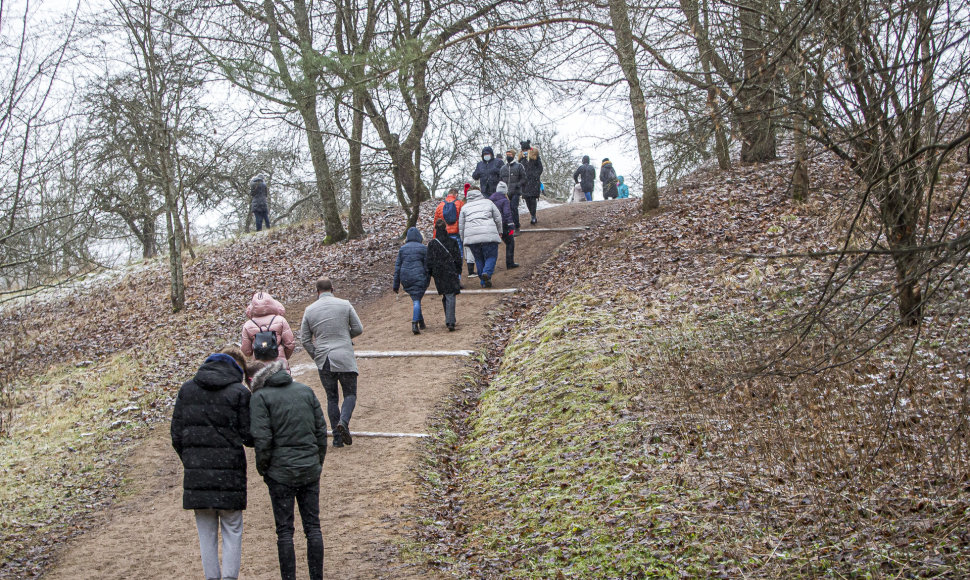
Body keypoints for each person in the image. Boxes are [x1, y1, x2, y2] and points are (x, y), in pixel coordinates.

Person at [171, 352, 253, 580]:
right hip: (230, 474)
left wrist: (192, 461)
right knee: (232, 528)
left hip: (198, 475)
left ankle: (212, 577)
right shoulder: (239, 393)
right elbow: (249, 436)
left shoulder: (187, 390)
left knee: (206, 534)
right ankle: (229, 578)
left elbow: (176, 436)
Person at [250, 358, 328, 580]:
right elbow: (320, 431)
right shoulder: (306, 391)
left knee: (284, 531)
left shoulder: (260, 398)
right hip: (309, 468)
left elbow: (262, 439)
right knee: (313, 527)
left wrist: (264, 469)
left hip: (279, 474)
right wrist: (317, 462)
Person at [299, 277, 364, 448]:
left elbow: (304, 339)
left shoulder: (309, 310)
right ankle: (344, 420)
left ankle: (336, 437)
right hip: (344, 355)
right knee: (350, 394)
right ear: (332, 288)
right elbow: (358, 328)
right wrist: (343, 337)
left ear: (317, 291)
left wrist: (317, 355)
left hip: (324, 359)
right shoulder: (345, 304)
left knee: (332, 397)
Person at [459, 185, 503, 287]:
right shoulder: (488, 202)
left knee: (478, 259)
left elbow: (461, 225)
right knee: (491, 256)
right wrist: (500, 230)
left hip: (472, 237)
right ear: (479, 193)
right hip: (489, 234)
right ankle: (487, 273)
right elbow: (498, 218)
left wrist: (463, 238)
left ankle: (483, 282)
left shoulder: (464, 207)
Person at [241, 292, 296, 370]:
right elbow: (290, 344)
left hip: (259, 368)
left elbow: (246, 351)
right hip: (279, 366)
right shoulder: (281, 320)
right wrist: (283, 355)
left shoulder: (247, 325)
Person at [393, 227, 431, 334]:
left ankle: (421, 322)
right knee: (417, 300)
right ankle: (415, 323)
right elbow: (427, 266)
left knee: (416, 299)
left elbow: (397, 267)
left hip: (406, 278)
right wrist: (427, 279)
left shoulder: (402, 249)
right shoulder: (423, 248)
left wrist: (396, 284)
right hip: (419, 277)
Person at [427, 219, 463, 331]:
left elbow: (429, 261)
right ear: (445, 228)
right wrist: (458, 270)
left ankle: (449, 319)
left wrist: (431, 273)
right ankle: (450, 321)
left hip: (439, 273)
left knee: (446, 295)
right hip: (450, 270)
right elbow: (458, 258)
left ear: (436, 230)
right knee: (450, 294)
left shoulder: (432, 244)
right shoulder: (452, 242)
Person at [490, 182, 519, 269]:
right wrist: (511, 226)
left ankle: (489, 267)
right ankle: (509, 263)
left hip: (491, 226)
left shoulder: (489, 200)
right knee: (510, 243)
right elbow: (507, 214)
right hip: (503, 226)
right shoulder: (505, 200)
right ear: (505, 191)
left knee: (491, 246)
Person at [500, 147, 526, 229]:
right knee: (506, 210)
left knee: (514, 208)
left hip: (515, 191)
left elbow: (524, 178)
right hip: (506, 193)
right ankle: (508, 227)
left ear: (513, 155)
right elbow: (500, 180)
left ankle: (516, 226)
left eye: (510, 154)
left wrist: (518, 185)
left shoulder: (519, 166)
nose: (508, 156)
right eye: (507, 154)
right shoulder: (503, 168)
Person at [519, 144, 544, 224]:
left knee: (532, 199)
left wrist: (535, 175)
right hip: (525, 183)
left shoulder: (535, 158)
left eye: (526, 150)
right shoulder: (521, 160)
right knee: (527, 199)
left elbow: (540, 168)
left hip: (533, 182)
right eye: (523, 150)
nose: (525, 152)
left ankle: (533, 215)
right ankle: (531, 213)